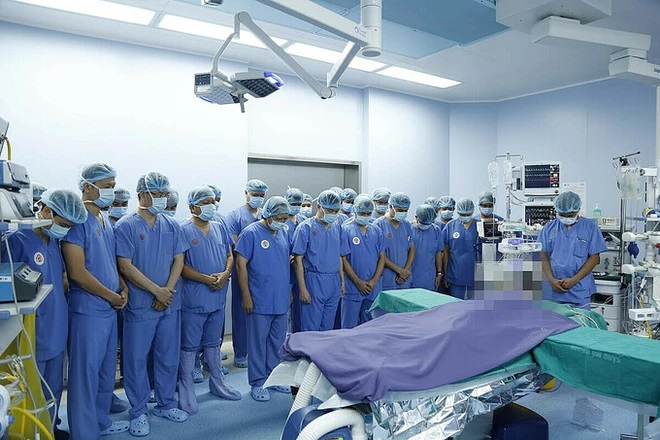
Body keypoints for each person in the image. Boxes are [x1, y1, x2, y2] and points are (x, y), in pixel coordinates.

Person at [3, 189, 86, 440]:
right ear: (47, 211)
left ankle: (50, 428)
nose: (66, 231)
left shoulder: (54, 242)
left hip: (56, 326)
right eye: (64, 225)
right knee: (30, 390)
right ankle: (33, 433)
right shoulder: (16, 240)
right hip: (31, 330)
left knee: (52, 388)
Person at [115, 172, 189, 436]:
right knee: (135, 361)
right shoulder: (125, 226)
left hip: (169, 303)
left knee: (168, 357)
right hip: (141, 305)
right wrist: (156, 291)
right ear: (141, 195)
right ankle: (137, 411)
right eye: (156, 194)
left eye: (164, 194)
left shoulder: (171, 225)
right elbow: (125, 265)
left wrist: (167, 290)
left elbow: (179, 259)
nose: (161, 199)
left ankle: (165, 403)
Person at [61, 163, 130, 439]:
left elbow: (110, 262)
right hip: (88, 310)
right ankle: (83, 432)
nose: (111, 191)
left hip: (109, 308)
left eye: (113, 186)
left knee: (104, 371)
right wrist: (111, 295)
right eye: (107, 186)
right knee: (85, 376)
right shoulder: (77, 222)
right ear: (88, 187)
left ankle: (101, 422)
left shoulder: (104, 220)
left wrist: (122, 286)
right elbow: (77, 273)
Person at [177, 187, 241, 415]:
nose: (211, 206)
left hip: (217, 296)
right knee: (189, 345)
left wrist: (225, 274)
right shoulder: (183, 230)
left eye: (212, 201)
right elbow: (180, 265)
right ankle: (186, 388)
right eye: (205, 202)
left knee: (214, 342)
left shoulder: (219, 227)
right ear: (192, 206)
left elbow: (229, 254)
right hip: (194, 298)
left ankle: (217, 382)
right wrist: (205, 279)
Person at [235, 197, 291, 401]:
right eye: (279, 218)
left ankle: (274, 377)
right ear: (268, 214)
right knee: (257, 343)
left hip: (280, 297)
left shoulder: (283, 232)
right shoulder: (251, 233)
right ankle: (258, 382)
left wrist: (288, 289)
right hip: (259, 298)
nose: (282, 222)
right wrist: (246, 295)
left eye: (285, 218)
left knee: (277, 341)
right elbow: (240, 265)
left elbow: (284, 262)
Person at [225, 179, 269, 368]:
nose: (258, 198)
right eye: (255, 194)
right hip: (243, 269)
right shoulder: (235, 216)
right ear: (246, 193)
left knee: (263, 314)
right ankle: (241, 352)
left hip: (264, 272)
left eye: (261, 195)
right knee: (242, 312)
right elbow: (236, 246)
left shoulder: (267, 214)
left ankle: (259, 351)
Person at [538, 191, 607, 309]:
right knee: (552, 320)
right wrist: (551, 280)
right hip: (553, 291)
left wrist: (574, 280)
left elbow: (594, 258)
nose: (566, 218)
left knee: (580, 320)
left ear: (578, 209)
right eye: (562, 215)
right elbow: (543, 255)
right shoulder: (549, 228)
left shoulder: (590, 228)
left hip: (579, 290)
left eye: (570, 215)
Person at [292, 190, 344, 332]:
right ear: (319, 206)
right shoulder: (306, 228)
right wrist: (303, 289)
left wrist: (342, 281)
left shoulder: (337, 227)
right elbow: (298, 260)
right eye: (329, 210)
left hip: (334, 281)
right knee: (311, 328)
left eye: (336, 211)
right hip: (314, 281)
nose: (333, 214)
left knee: (328, 328)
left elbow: (339, 256)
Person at [340, 195, 385, 329]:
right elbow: (343, 259)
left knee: (370, 327)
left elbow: (382, 257)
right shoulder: (345, 229)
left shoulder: (376, 231)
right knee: (349, 328)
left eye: (368, 214)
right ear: (355, 210)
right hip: (352, 287)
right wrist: (358, 282)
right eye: (362, 213)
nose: (365, 216)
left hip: (373, 287)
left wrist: (374, 281)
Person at [374, 192, 415, 290]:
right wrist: (399, 271)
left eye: (405, 210)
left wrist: (405, 271)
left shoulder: (406, 225)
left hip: (405, 278)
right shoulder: (378, 225)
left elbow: (412, 248)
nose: (402, 213)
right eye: (399, 210)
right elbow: (379, 254)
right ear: (390, 206)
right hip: (387, 278)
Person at [443, 198, 480, 300]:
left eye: (468, 214)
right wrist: (445, 274)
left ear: (472, 212)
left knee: (476, 306)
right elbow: (446, 252)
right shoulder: (450, 226)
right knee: (456, 305)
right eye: (462, 214)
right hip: (455, 275)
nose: (465, 217)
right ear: (457, 212)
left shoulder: (480, 226)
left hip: (476, 276)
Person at [411, 204, 444, 291]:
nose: (425, 226)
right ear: (416, 217)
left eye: (428, 223)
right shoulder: (409, 229)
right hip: (411, 276)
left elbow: (438, 253)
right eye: (423, 223)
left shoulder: (436, 230)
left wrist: (439, 273)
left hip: (429, 277)